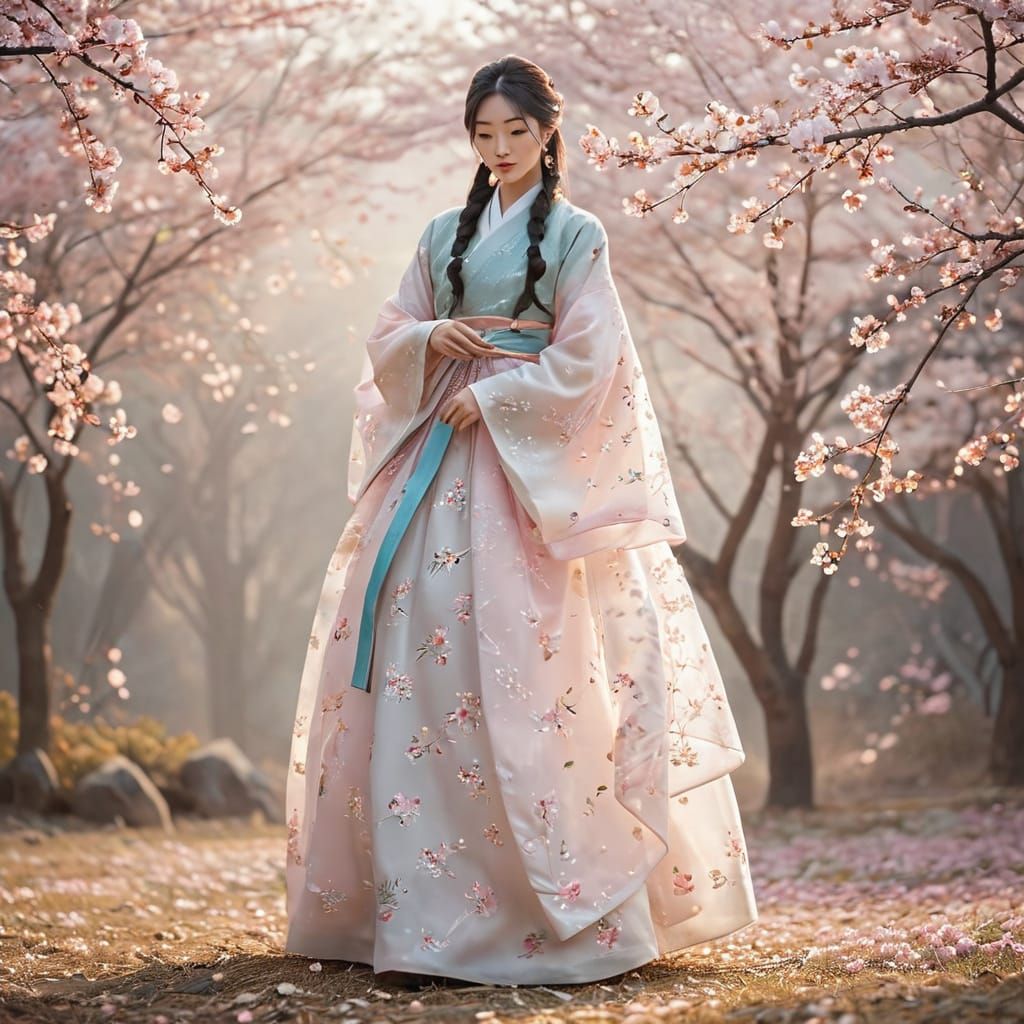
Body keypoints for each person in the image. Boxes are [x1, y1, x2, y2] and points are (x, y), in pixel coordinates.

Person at [283, 54, 757, 986]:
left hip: (521, 480)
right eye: (483, 135)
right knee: (421, 659)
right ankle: (420, 917)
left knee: (529, 666)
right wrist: (432, 342)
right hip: (434, 465)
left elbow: (593, 359)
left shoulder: (578, 236)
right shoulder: (441, 236)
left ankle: (561, 908)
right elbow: (386, 335)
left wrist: (500, 395)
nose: (498, 149)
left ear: (547, 133)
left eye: (515, 133)